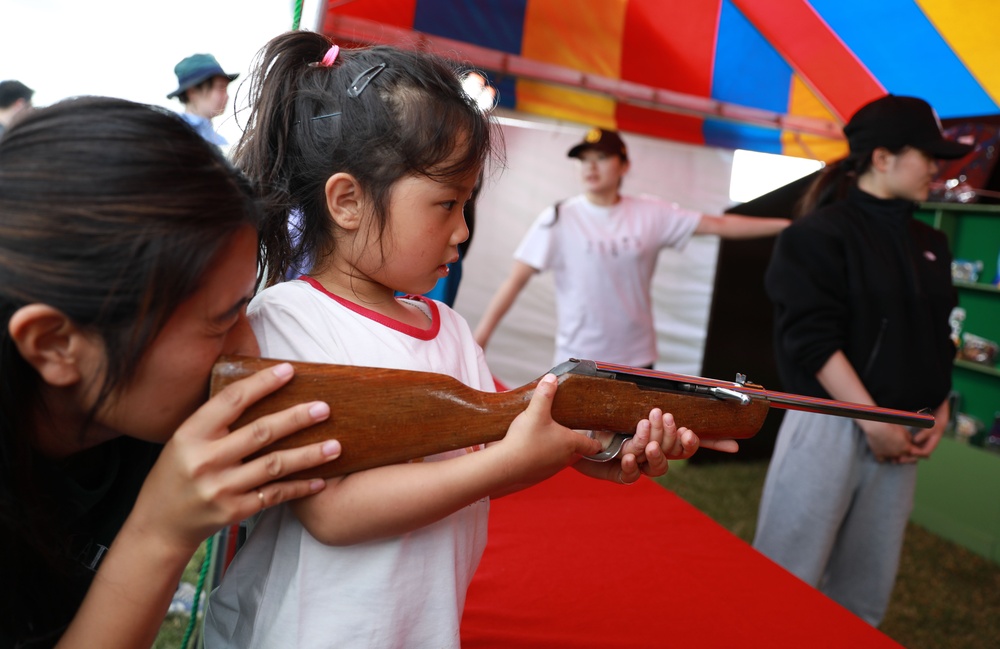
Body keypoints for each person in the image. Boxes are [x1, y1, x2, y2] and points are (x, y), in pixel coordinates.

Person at [204, 33, 734, 649]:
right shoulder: (287, 322)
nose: (461, 232)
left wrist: (583, 446)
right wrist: (507, 461)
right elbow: (331, 513)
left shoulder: (448, 328)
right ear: (347, 200)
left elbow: (484, 457)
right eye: (446, 204)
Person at [0, 96, 346, 648]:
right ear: (56, 345)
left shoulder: (140, 423)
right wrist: (158, 534)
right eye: (220, 321)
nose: (249, 347)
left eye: (246, 306)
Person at [752, 95, 966, 626]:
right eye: (928, 154)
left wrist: (936, 411)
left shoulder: (931, 241)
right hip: (829, 424)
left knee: (864, 595)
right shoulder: (818, 234)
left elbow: (942, 335)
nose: (936, 168)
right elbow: (811, 341)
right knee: (784, 581)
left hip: (902, 436)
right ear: (882, 158)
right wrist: (872, 421)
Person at [474, 127, 791, 369]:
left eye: (601, 157)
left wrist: (786, 227)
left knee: (630, 448)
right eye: (583, 159)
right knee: (575, 449)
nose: (590, 167)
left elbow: (717, 225)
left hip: (636, 357)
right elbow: (515, 281)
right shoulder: (559, 217)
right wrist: (481, 338)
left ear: (624, 165)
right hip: (577, 357)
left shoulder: (651, 212)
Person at [167, 53, 239, 146]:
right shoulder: (171, 133)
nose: (226, 96)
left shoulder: (221, 142)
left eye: (226, 89)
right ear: (192, 92)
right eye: (220, 88)